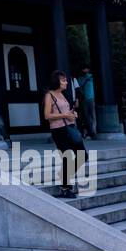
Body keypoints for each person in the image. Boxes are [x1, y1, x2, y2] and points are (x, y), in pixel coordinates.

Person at [42, 70, 86, 199]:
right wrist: (65, 115)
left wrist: (72, 114)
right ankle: (65, 188)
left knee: (83, 155)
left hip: (69, 128)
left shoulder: (63, 95)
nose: (66, 82)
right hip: (58, 131)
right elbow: (47, 115)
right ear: (57, 81)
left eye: (66, 80)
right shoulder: (49, 95)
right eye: (64, 80)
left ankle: (64, 176)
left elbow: (66, 113)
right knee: (67, 157)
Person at [76, 66, 96, 139]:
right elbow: (79, 85)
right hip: (84, 98)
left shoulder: (92, 77)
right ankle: (90, 131)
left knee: (92, 115)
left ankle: (94, 130)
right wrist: (85, 79)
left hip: (91, 98)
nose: (85, 70)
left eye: (86, 68)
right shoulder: (80, 78)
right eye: (84, 68)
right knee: (86, 116)